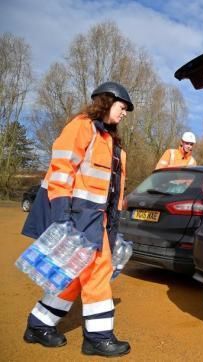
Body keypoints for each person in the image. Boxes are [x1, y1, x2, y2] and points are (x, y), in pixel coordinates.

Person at [21, 81, 133, 357]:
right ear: (107, 102)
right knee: (97, 272)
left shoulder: (112, 143)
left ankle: (38, 325)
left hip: (96, 219)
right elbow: (61, 170)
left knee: (71, 276)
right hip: (76, 216)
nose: (125, 113)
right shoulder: (82, 127)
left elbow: (112, 191)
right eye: (123, 107)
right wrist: (62, 220)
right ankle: (98, 337)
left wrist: (113, 227)